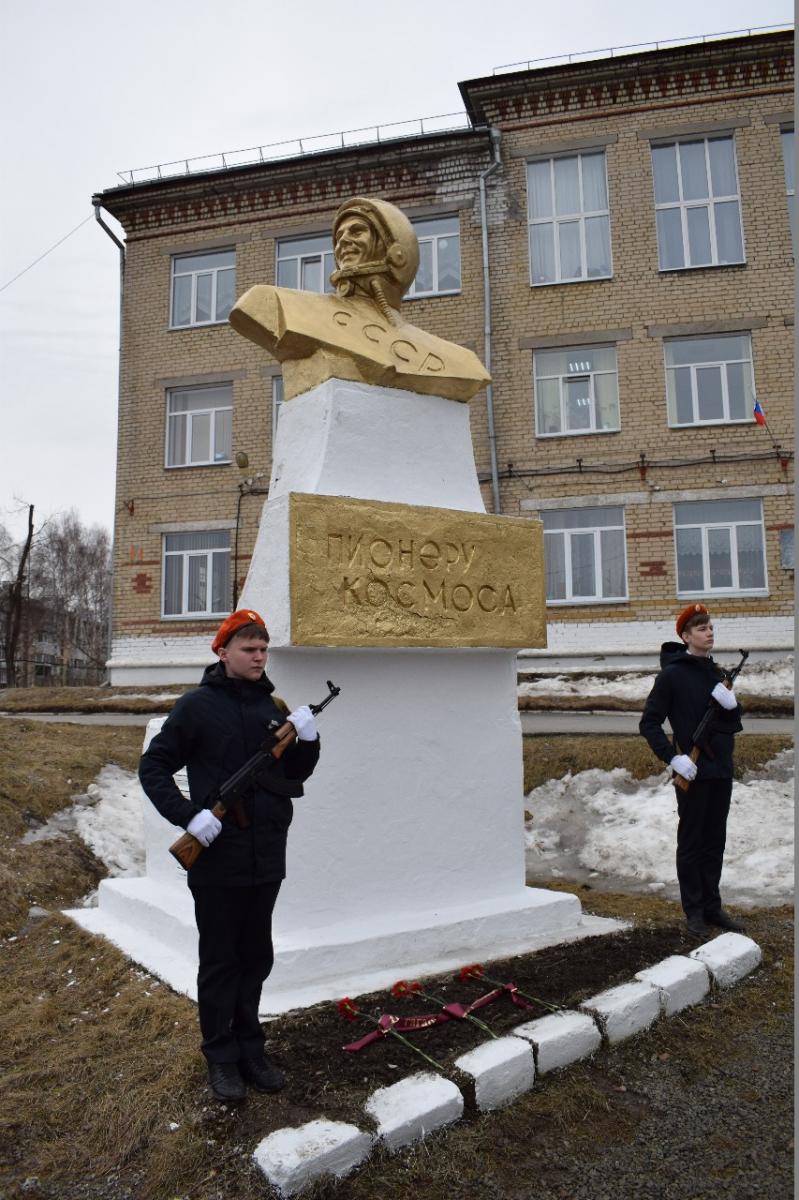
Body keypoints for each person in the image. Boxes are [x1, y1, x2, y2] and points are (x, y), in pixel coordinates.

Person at [138, 608, 320, 1103]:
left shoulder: (273, 707)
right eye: (249, 649)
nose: (260, 656)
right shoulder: (196, 707)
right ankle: (221, 1056)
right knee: (220, 960)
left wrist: (307, 738)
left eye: (263, 649)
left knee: (255, 955)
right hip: (219, 860)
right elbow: (153, 767)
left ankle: (250, 1048)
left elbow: (294, 776)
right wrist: (188, 816)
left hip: (266, 855)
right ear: (223, 652)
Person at [639, 603, 745, 939]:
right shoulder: (672, 675)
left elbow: (732, 726)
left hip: (720, 770)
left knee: (715, 841)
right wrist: (673, 758)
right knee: (692, 842)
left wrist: (732, 707)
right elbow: (649, 723)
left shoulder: (718, 674)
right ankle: (695, 911)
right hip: (693, 771)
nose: (709, 632)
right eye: (701, 628)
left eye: (710, 626)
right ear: (686, 636)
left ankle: (713, 906)